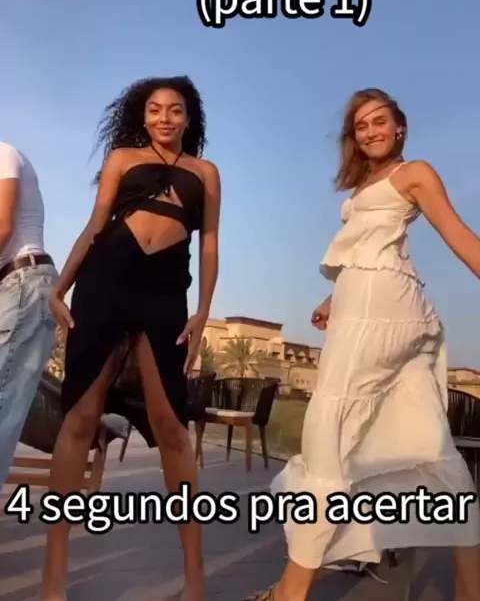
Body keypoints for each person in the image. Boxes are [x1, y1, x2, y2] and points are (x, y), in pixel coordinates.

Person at [249, 88, 480, 601]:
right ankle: (472, 587)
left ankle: (291, 592)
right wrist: (334, 299)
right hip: (382, 309)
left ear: (400, 127)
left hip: (381, 316)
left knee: (328, 441)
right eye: (361, 125)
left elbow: (458, 234)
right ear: (353, 138)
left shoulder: (414, 173)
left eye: (380, 121)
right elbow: (374, 252)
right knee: (430, 442)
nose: (371, 131)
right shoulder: (367, 183)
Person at [40, 77, 221, 601]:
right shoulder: (122, 158)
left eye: (175, 110)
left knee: (171, 426)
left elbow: (210, 243)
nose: (165, 118)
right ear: (143, 116)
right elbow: (96, 224)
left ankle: (194, 578)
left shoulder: (205, 173)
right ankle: (54, 576)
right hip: (107, 279)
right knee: (80, 417)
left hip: (165, 290)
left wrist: (203, 310)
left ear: (189, 118)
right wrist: (60, 288)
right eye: (155, 109)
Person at [0, 142, 58, 489]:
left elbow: (3, 226)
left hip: (24, 282)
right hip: (16, 285)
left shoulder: (1, 153)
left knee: (3, 406)